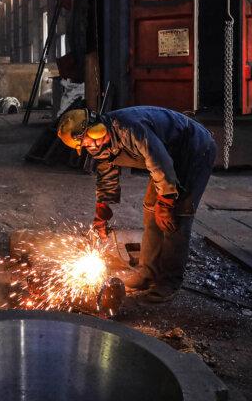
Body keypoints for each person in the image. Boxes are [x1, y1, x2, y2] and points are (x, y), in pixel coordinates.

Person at [57, 105, 217, 303]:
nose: (90, 147)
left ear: (94, 129)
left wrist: (166, 203)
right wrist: (102, 213)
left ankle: (169, 281)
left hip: (193, 150)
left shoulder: (129, 129)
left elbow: (159, 162)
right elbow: (107, 175)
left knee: (174, 216)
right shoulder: (97, 146)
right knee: (151, 210)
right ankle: (147, 273)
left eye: (87, 142)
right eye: (84, 146)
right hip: (168, 159)